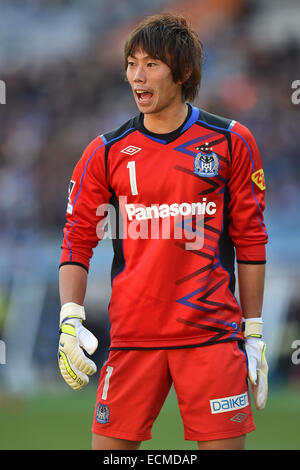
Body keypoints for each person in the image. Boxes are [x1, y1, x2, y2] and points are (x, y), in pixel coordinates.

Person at [58, 12, 269, 451]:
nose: (137, 75)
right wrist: (69, 319)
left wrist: (253, 330)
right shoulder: (106, 151)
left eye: (151, 63)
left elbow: (251, 240)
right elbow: (78, 237)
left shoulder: (231, 142)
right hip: (133, 337)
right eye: (132, 63)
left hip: (211, 336)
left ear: (183, 71)